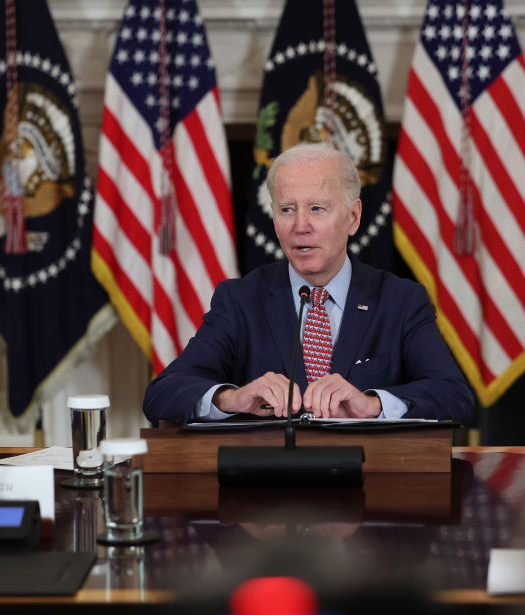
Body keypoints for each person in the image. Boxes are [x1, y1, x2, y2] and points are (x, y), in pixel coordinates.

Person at [143, 144, 474, 425]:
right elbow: (163, 392)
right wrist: (232, 398)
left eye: (317, 208)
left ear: (353, 217)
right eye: (287, 209)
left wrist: (372, 405)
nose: (301, 226)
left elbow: (454, 395)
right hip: (268, 493)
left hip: (372, 486)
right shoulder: (240, 300)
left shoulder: (400, 301)